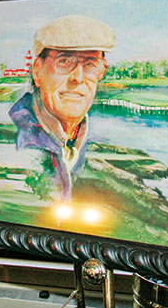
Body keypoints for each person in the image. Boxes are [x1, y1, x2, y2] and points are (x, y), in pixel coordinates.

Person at [8, 15, 115, 201]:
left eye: (90, 64)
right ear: (37, 71)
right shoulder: (7, 139)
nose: (78, 78)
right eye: (65, 62)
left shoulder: (104, 147)